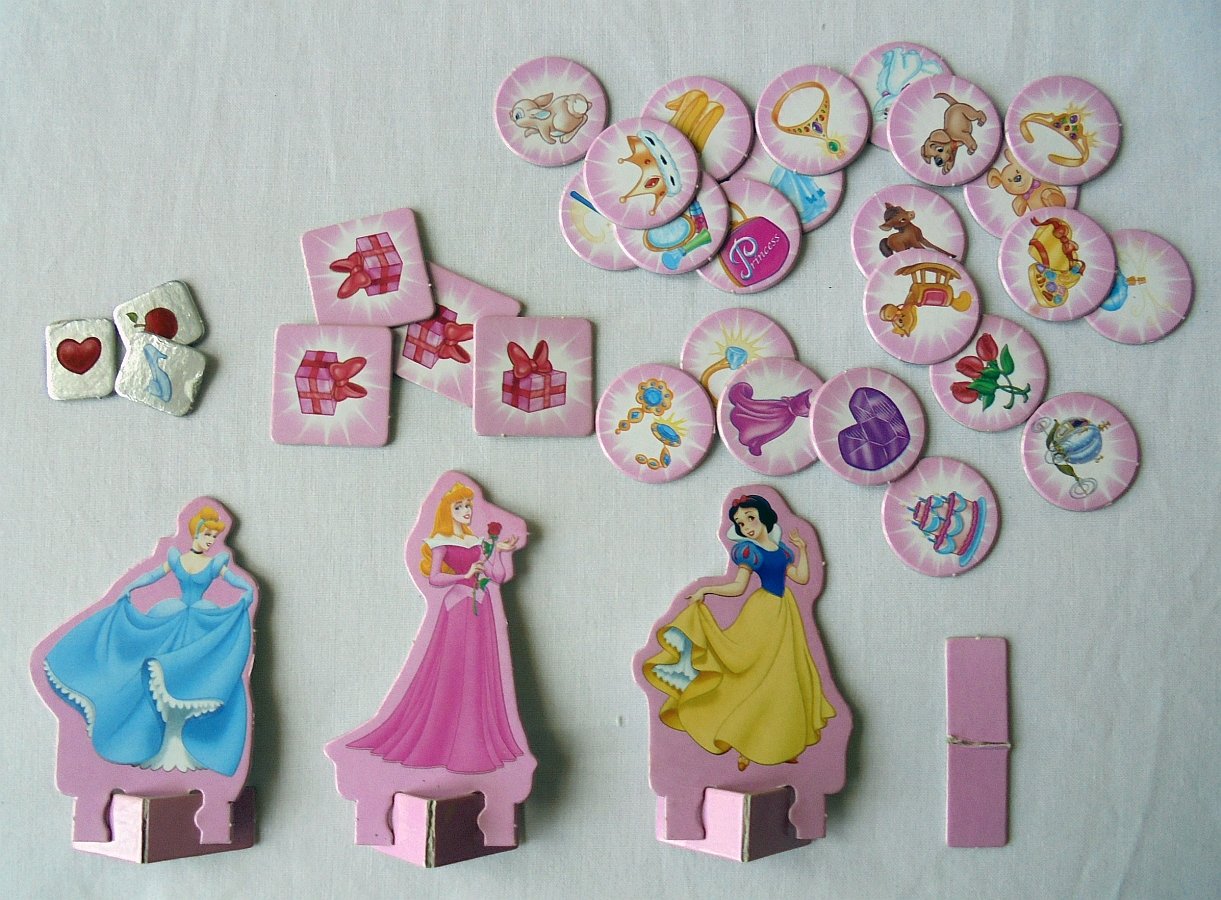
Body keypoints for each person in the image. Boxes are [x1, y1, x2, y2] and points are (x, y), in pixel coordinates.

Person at [42, 507, 255, 776]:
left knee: (189, 678)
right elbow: (155, 574)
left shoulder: (215, 563)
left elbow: (236, 581)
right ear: (196, 533)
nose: (210, 541)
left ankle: (188, 743)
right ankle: (148, 741)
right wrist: (131, 586)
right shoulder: (177, 558)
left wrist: (247, 591)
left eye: (214, 537)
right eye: (207, 535)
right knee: (153, 676)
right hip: (172, 616)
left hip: (201, 621)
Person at [643, 494, 836, 771]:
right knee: (748, 676)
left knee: (783, 678)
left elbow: (802, 577)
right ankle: (744, 745)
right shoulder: (748, 553)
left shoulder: (783, 551)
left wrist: (803, 549)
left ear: (764, 518)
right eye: (741, 523)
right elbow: (737, 587)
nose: (746, 526)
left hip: (785, 614)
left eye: (750, 518)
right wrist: (706, 589)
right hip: (761, 613)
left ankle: (783, 744)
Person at [347, 482, 525, 774]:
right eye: (459, 506)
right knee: (452, 671)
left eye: (468, 506)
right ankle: (440, 743)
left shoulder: (478, 541)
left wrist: (502, 552)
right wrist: (464, 574)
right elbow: (435, 578)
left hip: (481, 612)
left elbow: (498, 576)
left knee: (477, 671)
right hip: (458, 609)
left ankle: (474, 742)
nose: (466, 511)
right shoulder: (441, 541)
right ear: (447, 511)